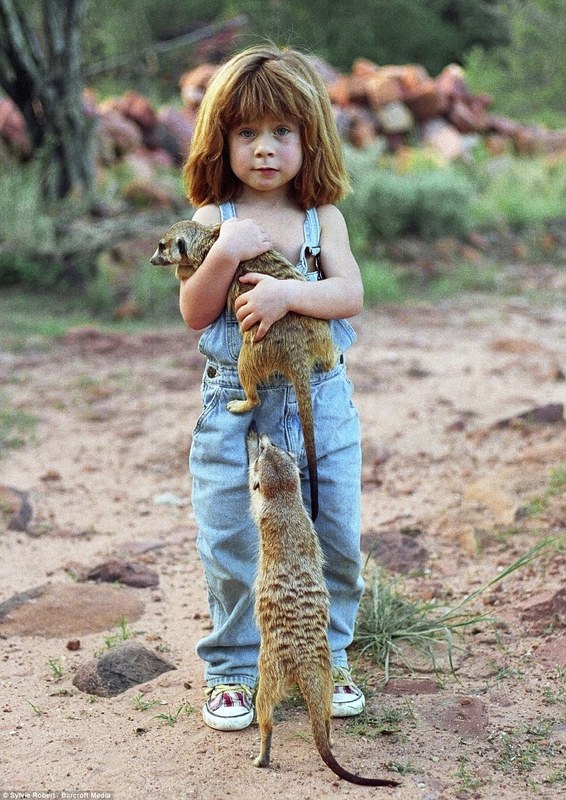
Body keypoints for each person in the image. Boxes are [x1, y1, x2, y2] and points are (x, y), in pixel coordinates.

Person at [180, 44, 366, 732]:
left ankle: (330, 654)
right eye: (247, 133)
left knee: (333, 531)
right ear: (221, 140)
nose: (265, 149)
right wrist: (224, 252)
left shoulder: (323, 221)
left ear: (309, 136)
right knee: (231, 536)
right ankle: (233, 668)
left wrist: (290, 292)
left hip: (321, 400)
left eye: (282, 132)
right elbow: (196, 314)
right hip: (236, 405)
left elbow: (349, 293)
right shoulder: (211, 220)